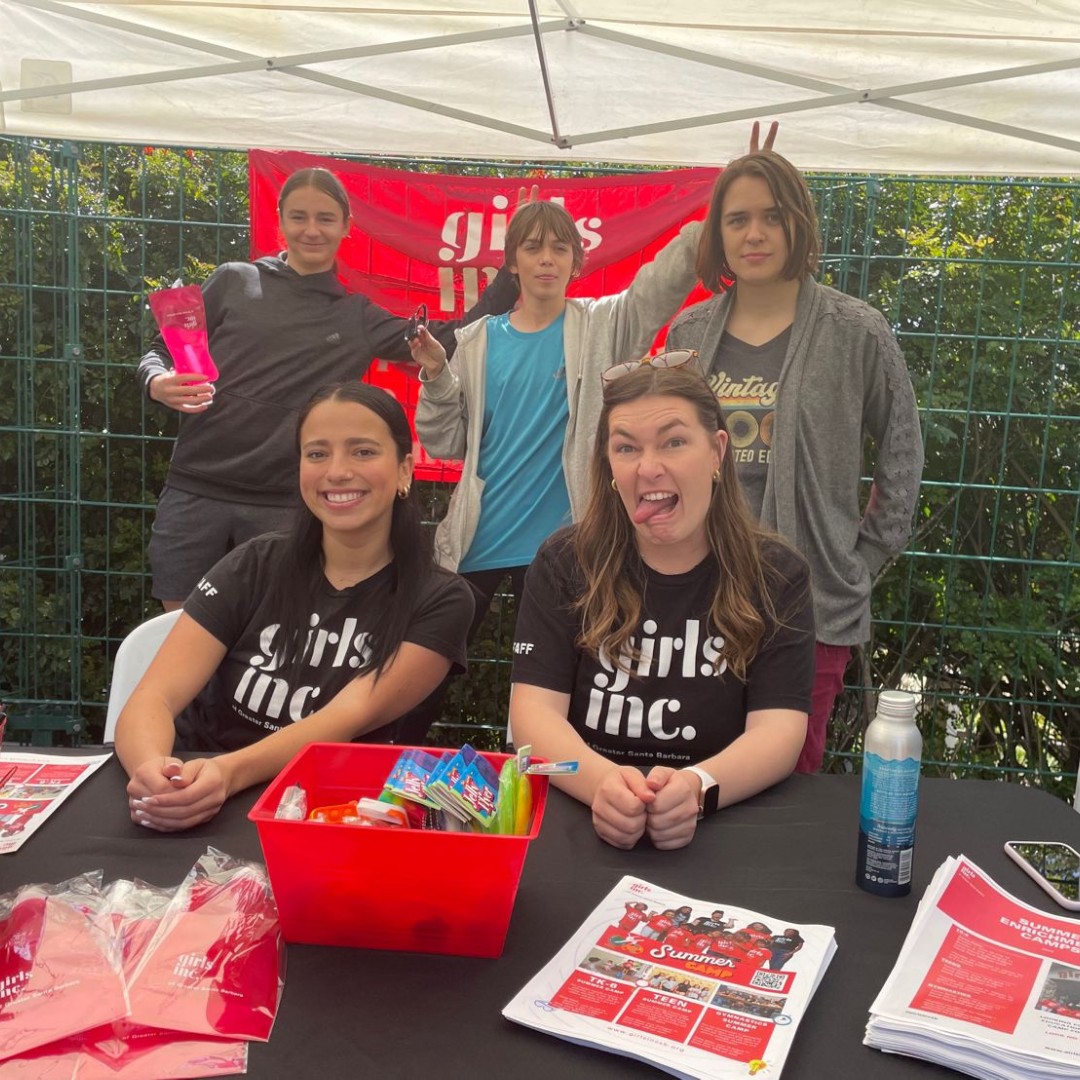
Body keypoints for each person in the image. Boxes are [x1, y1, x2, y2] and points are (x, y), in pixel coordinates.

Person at [412, 125, 778, 639]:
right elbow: (445, 443)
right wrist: (436, 376)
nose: (546, 259)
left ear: (576, 260)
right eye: (533, 248)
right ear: (512, 261)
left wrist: (727, 202)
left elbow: (662, 282)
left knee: (559, 677)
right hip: (476, 544)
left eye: (560, 248)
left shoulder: (603, 326)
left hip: (570, 548)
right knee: (423, 663)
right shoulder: (475, 342)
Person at [138, 166, 520, 610]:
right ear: (280, 221)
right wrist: (156, 382)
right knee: (180, 632)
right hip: (194, 492)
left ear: (345, 226)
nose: (311, 230)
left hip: (284, 507)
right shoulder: (232, 280)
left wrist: (513, 265)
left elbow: (454, 337)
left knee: (269, 635)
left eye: (325, 218)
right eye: (299, 216)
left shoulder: (356, 316)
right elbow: (160, 350)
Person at [115, 382, 474, 832]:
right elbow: (154, 695)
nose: (337, 472)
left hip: (334, 816)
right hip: (197, 790)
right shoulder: (253, 563)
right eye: (317, 453)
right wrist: (153, 772)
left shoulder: (440, 599)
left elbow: (343, 718)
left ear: (405, 469)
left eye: (363, 452)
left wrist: (227, 774)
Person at [665, 149, 923, 773]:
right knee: (694, 768)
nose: (754, 233)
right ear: (717, 233)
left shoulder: (855, 330)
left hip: (811, 600)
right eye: (737, 219)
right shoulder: (688, 335)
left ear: (798, 224)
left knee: (786, 778)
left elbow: (902, 448)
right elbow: (664, 450)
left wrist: (863, 558)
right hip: (699, 596)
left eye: (772, 216)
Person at [508, 359, 815, 851]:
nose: (648, 468)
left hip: (724, 829)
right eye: (626, 447)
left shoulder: (778, 575)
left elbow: (780, 733)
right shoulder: (563, 563)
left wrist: (697, 788)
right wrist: (600, 785)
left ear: (717, 452)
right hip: (579, 821)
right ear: (609, 466)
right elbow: (531, 722)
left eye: (673, 442)